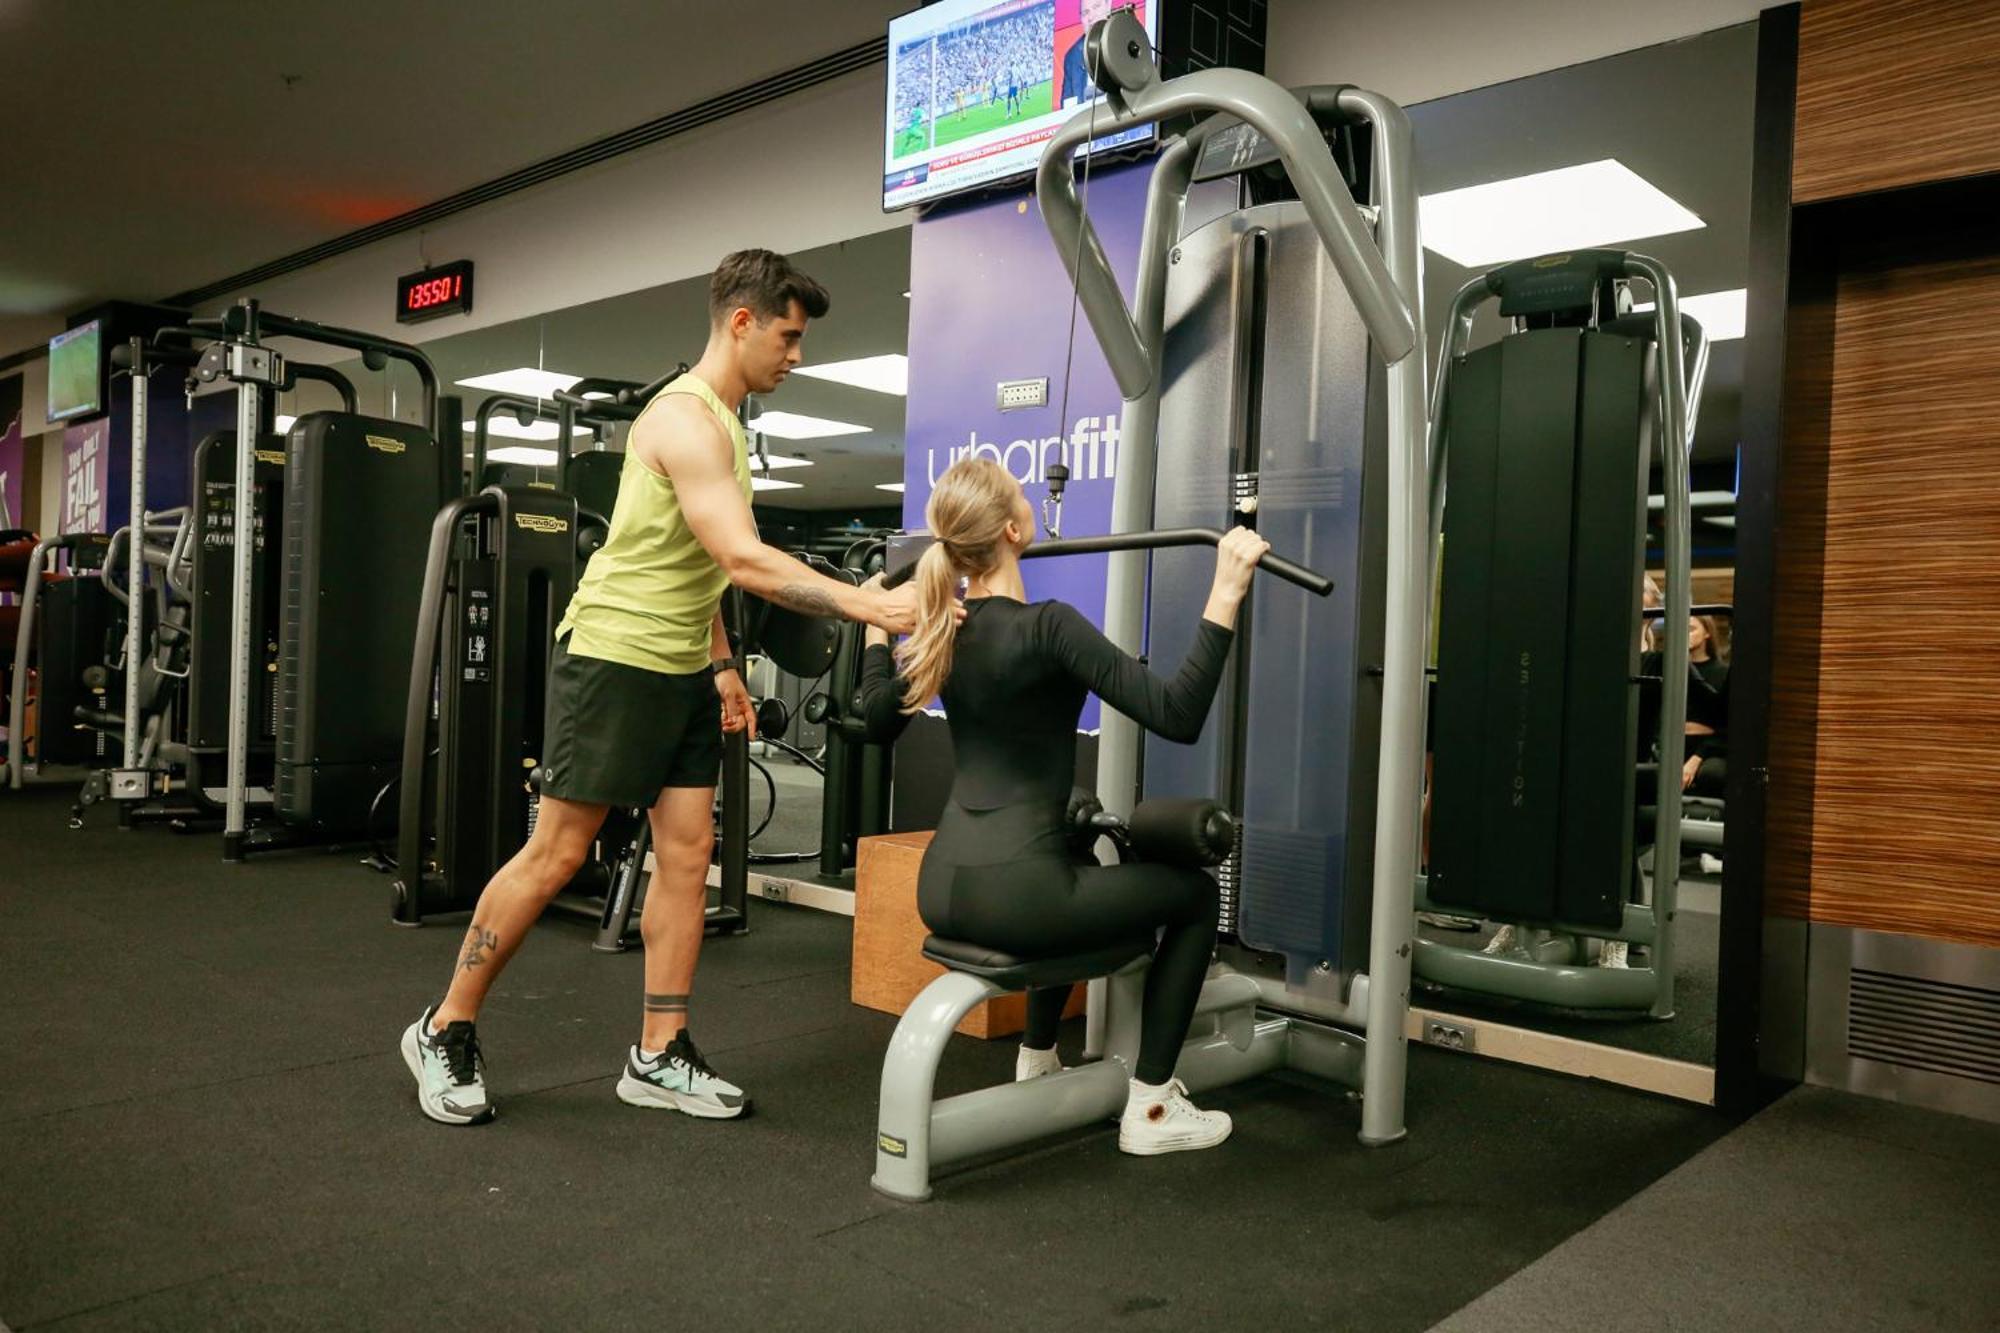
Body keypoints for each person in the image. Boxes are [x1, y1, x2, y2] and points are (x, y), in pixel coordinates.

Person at [401, 250, 920, 1127]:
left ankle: (658, 1051)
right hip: (612, 657)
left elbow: (697, 567)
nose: (797, 355)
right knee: (559, 851)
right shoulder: (687, 420)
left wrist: (720, 665)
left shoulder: (727, 421)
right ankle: (443, 1025)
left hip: (679, 664)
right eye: (789, 336)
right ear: (743, 322)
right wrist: (867, 602)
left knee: (686, 854)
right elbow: (741, 558)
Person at [856, 456, 1269, 1156]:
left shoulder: (943, 625)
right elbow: (1177, 711)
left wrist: (872, 620)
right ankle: (1153, 1106)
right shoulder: (1047, 626)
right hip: (1019, 895)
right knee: (1196, 898)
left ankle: (1038, 1060)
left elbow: (871, 718)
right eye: (1026, 501)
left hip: (944, 885)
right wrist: (1227, 588)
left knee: (1077, 843)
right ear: (1017, 529)